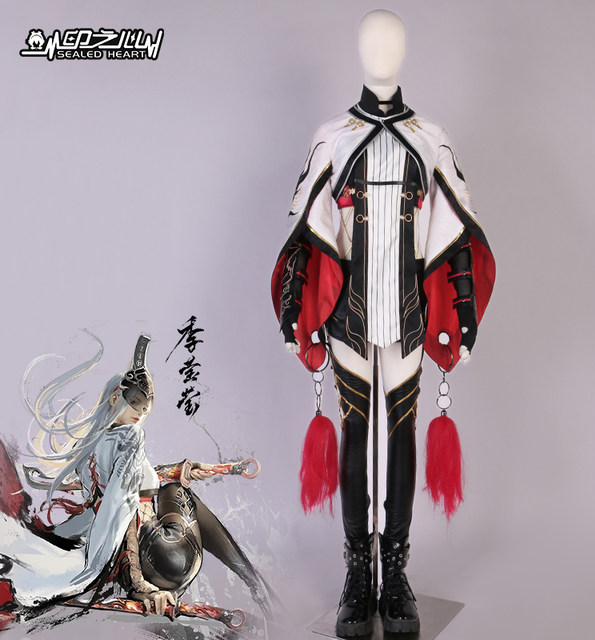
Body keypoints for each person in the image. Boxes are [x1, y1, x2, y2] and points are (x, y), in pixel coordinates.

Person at [271, 10, 495, 636]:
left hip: (409, 316)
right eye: (372, 41)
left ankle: (393, 576)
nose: (381, 51)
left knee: (399, 434)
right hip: (347, 316)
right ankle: (356, 574)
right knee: (353, 434)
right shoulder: (331, 138)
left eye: (391, 41)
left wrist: (465, 319)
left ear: (405, 49)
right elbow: (306, 233)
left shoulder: (432, 139)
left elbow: (454, 236)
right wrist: (294, 314)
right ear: (357, 49)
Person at [0, 333, 273, 623]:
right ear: (115, 398)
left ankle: (253, 584)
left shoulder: (91, 444)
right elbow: (124, 506)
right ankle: (255, 583)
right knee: (177, 493)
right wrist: (142, 587)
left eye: (145, 409)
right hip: (166, 560)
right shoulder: (130, 437)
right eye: (136, 405)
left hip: (138, 559)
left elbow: (124, 488)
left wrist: (181, 469)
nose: (140, 415)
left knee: (169, 486)